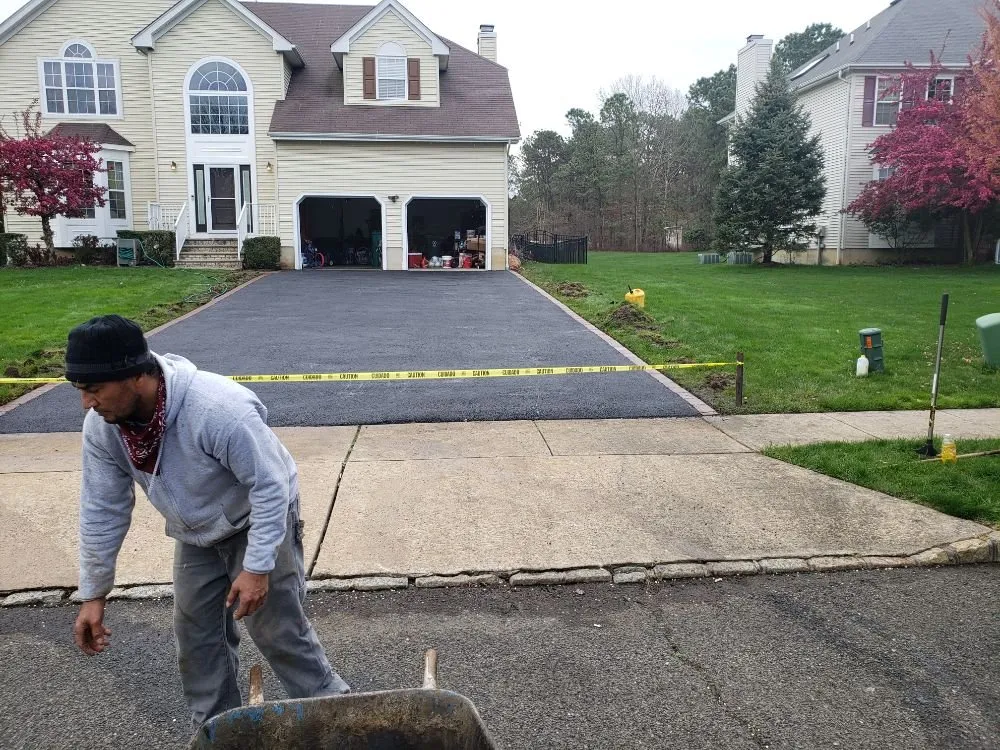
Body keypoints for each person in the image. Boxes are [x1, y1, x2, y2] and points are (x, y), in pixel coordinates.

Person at [67, 315, 350, 729]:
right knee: (197, 641)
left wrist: (257, 568)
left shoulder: (217, 409)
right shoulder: (104, 428)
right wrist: (93, 594)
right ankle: (217, 731)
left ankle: (338, 719)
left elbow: (270, 486)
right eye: (80, 390)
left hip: (255, 516)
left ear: (136, 376)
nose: (86, 403)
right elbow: (102, 508)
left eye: (94, 389)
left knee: (277, 632)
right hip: (197, 533)